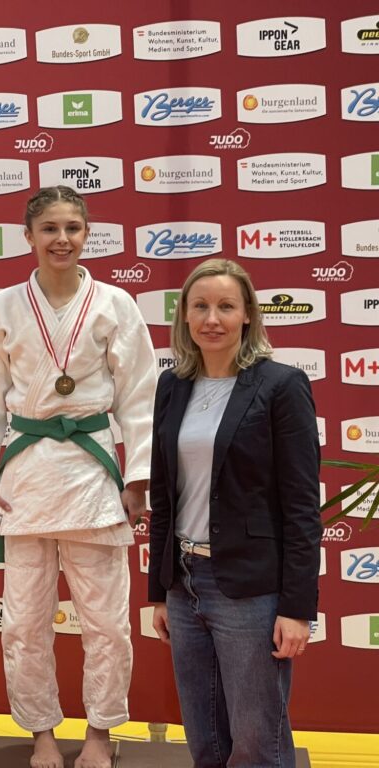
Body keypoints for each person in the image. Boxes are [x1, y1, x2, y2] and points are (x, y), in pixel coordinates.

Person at [0, 186, 156, 768]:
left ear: (87, 234)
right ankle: (41, 731)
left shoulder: (115, 304)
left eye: (72, 228)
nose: (62, 239)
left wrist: (139, 477)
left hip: (92, 472)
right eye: (49, 229)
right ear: (29, 236)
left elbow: (139, 396)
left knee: (107, 622)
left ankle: (100, 732)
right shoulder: (0, 309)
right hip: (25, 475)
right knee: (23, 623)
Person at [148, 258, 320, 768]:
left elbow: (301, 506)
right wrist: (160, 590)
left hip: (250, 590)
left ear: (247, 315)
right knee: (205, 741)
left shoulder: (281, 385)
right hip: (184, 584)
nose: (212, 319)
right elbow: (165, 494)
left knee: (257, 744)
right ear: (184, 315)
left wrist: (297, 608)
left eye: (226, 306)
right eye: (200, 306)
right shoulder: (172, 385)